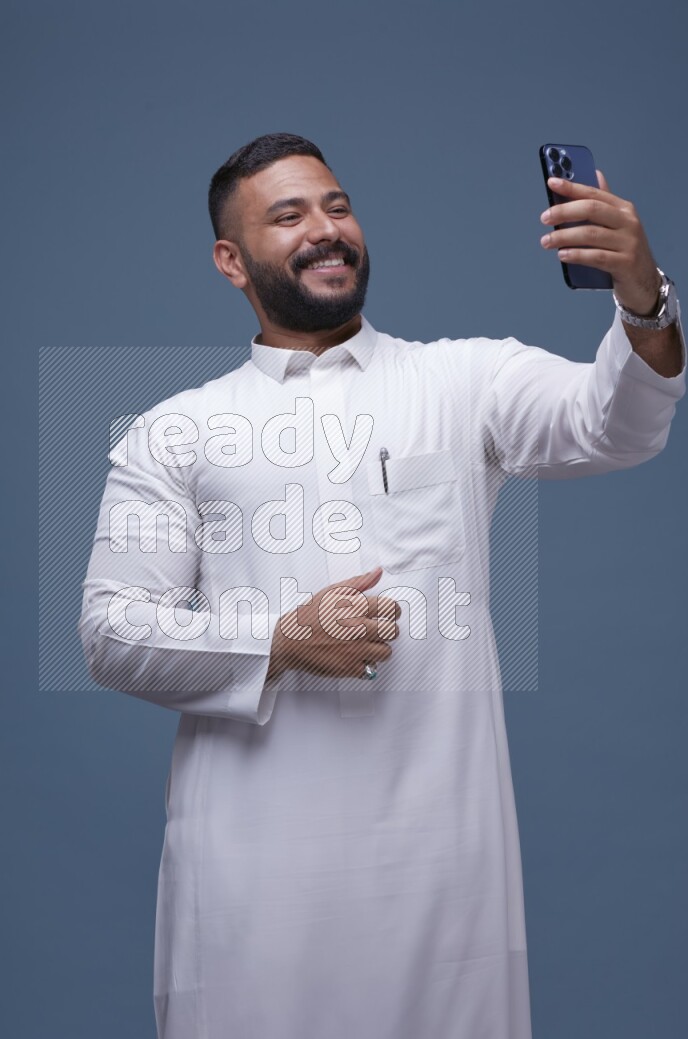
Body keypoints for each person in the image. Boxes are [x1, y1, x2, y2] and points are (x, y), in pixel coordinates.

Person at [78, 133, 685, 1039]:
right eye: (289, 217)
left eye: (337, 206)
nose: (326, 230)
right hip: (252, 879)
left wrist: (644, 297)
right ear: (230, 261)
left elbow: (617, 427)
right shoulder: (174, 432)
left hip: (442, 872)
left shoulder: (463, 378)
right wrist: (280, 640)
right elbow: (111, 631)